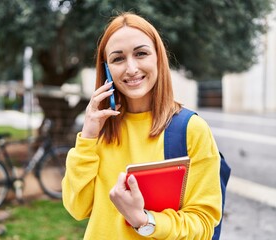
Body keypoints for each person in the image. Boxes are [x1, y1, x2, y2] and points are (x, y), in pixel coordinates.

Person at [62, 12, 222, 239]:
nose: (131, 68)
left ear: (158, 57)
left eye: (141, 53)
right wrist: (87, 137)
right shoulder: (99, 129)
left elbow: (204, 224)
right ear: (107, 69)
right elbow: (77, 208)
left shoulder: (191, 130)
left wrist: (144, 221)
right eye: (118, 59)